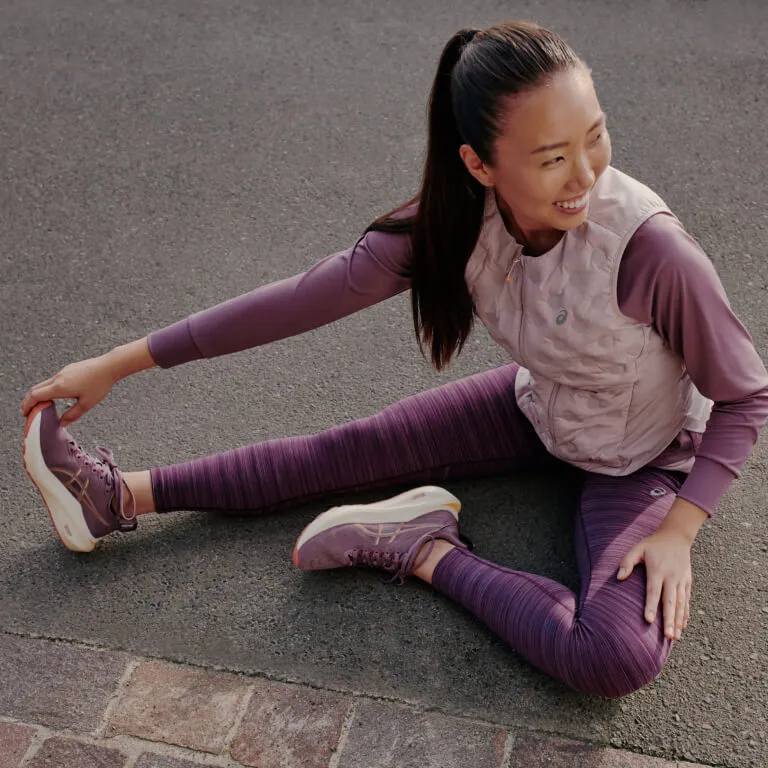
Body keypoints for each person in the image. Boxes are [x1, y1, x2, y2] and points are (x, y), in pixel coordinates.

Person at [20, 21, 768, 699]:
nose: (585, 175)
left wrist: (679, 529)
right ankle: (117, 498)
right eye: (552, 158)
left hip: (650, 458)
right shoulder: (452, 224)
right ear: (479, 163)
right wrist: (119, 362)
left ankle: (421, 549)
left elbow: (746, 397)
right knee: (349, 449)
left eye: (595, 137)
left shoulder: (651, 250)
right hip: (544, 404)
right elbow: (293, 303)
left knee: (613, 655)